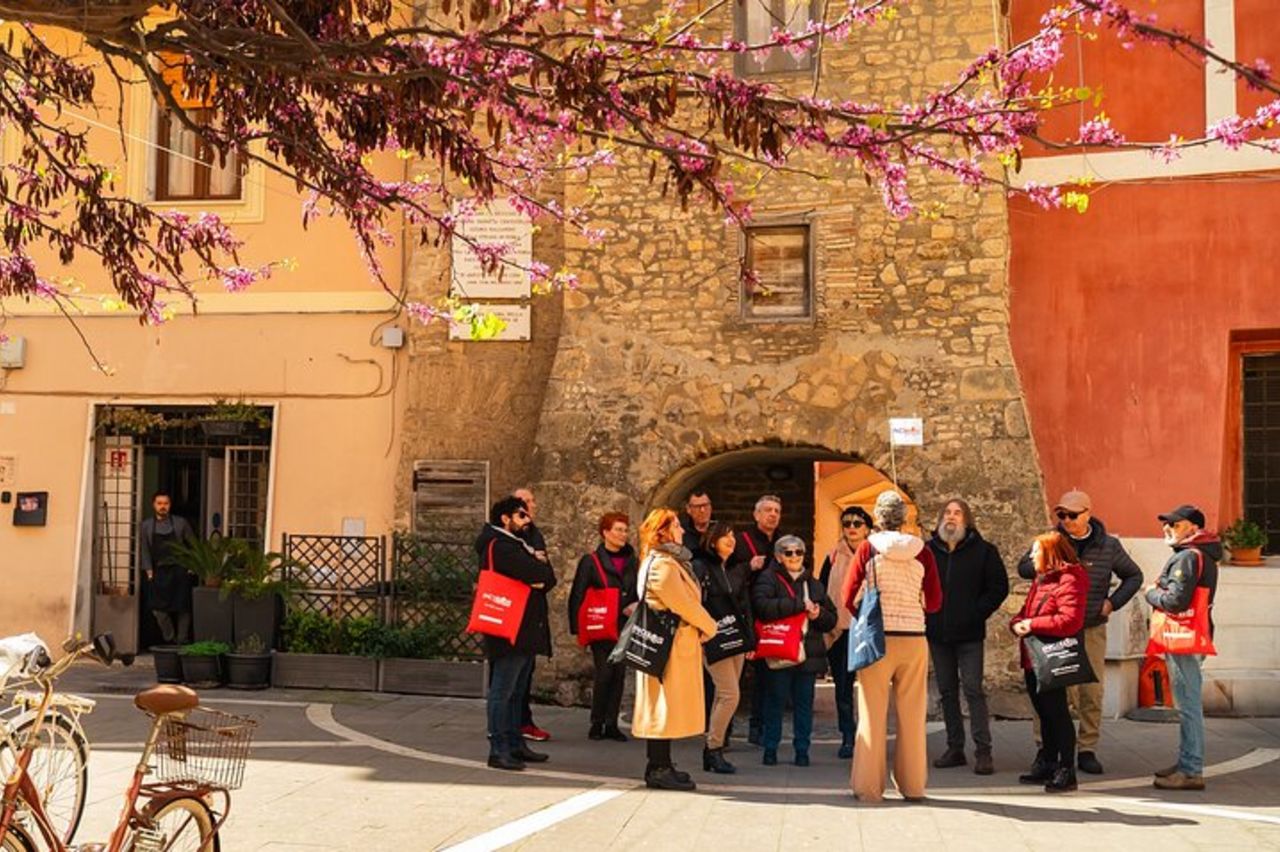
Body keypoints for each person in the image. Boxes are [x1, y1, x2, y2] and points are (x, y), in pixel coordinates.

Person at [1016, 489, 1142, 775]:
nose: (1066, 520)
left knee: (1091, 690)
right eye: (1061, 515)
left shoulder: (1108, 546)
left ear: (1088, 514)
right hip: (1055, 630)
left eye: (1072, 515)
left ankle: (1087, 748)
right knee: (1051, 690)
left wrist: (1112, 603)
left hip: (1091, 626)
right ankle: (1045, 749)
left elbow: (1134, 576)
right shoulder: (1052, 539)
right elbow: (1024, 567)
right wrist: (1043, 562)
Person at [842, 490, 942, 803]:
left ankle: (869, 788)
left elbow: (848, 596)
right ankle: (913, 786)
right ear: (904, 518)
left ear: (878, 518)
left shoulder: (867, 549)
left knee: (872, 714)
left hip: (877, 638)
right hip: (913, 638)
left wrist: (867, 618)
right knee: (912, 718)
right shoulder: (923, 552)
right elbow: (936, 602)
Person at [631, 509, 718, 791]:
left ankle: (663, 763)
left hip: (671, 642)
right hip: (667, 645)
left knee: (665, 704)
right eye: (677, 525)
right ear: (663, 531)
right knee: (661, 705)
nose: (682, 530)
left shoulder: (665, 561)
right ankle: (657, 767)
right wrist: (710, 626)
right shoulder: (662, 565)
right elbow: (684, 604)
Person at [926, 498, 1009, 776]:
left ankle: (983, 751)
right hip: (938, 633)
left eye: (957, 513)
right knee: (947, 692)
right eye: (947, 513)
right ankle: (955, 748)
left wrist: (977, 612)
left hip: (970, 634)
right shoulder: (927, 551)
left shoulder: (984, 551)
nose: (951, 517)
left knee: (973, 690)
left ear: (967, 519)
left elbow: (998, 587)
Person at [475, 496, 557, 771]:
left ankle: (514, 744)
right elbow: (541, 573)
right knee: (503, 691)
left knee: (516, 692)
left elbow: (547, 579)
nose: (527, 520)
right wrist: (537, 565)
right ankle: (498, 749)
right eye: (521, 515)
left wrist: (538, 569)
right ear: (505, 519)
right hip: (508, 629)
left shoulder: (517, 546)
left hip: (523, 628)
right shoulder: (501, 546)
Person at [1148, 505, 1221, 791]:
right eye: (1166, 524)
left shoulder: (1188, 557)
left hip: (1184, 637)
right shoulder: (1202, 554)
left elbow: (1176, 601)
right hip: (1194, 634)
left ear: (1193, 527)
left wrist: (1150, 594)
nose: (1167, 528)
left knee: (1188, 705)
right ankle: (1185, 762)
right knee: (1186, 703)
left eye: (1175, 525)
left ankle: (1191, 769)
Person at [1011, 530, 1088, 793]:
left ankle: (1067, 769)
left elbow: (1070, 620)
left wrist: (1031, 624)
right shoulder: (1041, 578)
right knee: (1043, 713)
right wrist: (1018, 622)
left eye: (1035, 552)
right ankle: (1048, 761)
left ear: (1049, 554)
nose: (1031, 557)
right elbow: (1028, 608)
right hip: (1034, 656)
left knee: (1057, 713)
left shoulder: (1070, 578)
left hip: (1052, 656)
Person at [752, 535, 837, 767]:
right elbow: (762, 607)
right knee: (775, 701)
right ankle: (770, 748)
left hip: (807, 653)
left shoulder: (815, 584)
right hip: (780, 651)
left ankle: (802, 750)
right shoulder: (768, 579)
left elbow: (831, 619)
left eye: (798, 552)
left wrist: (818, 614)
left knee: (803, 704)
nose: (794, 557)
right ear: (779, 556)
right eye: (788, 553)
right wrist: (799, 605)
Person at [567, 512, 638, 742]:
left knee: (619, 674)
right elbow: (578, 593)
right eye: (618, 530)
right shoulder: (591, 561)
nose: (623, 534)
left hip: (623, 624)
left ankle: (611, 723)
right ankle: (597, 721)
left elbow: (638, 589)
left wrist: (634, 605)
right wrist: (577, 628)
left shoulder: (632, 561)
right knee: (605, 672)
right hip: (601, 625)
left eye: (625, 530)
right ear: (605, 533)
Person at [693, 522, 750, 774]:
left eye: (733, 536)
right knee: (730, 694)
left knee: (722, 694)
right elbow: (694, 602)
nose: (731, 540)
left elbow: (744, 605)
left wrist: (750, 639)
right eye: (725, 536)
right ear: (712, 540)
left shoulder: (735, 569)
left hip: (735, 636)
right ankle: (713, 748)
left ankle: (713, 749)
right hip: (712, 636)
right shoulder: (701, 567)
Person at [818, 505, 873, 759]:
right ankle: (848, 736)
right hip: (841, 630)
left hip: (869, 628)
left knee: (873, 686)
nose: (851, 528)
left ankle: (871, 736)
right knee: (843, 687)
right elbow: (822, 592)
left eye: (857, 523)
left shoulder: (876, 555)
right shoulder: (832, 557)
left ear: (867, 528)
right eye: (847, 523)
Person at [730, 494, 785, 746]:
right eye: (767, 510)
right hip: (743, 614)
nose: (772, 514)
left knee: (767, 676)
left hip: (770, 616)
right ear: (756, 515)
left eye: (776, 510)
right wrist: (747, 566)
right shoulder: (741, 542)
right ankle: (723, 733)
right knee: (734, 677)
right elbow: (726, 577)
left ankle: (759, 728)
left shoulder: (785, 543)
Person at [512, 487, 554, 743]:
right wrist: (534, 571)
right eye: (525, 502)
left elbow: (547, 575)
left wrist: (538, 575)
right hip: (514, 615)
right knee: (510, 679)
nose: (531, 506)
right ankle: (511, 726)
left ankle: (522, 723)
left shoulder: (535, 535)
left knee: (525, 674)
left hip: (533, 614)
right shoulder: (507, 539)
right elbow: (520, 573)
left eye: (532, 501)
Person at [138, 492, 196, 645]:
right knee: (157, 609)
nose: (163, 506)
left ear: (170, 505)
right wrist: (148, 570)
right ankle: (170, 637)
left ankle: (182, 640)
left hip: (180, 570)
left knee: (183, 607)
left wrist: (192, 566)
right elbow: (144, 549)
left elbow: (194, 545)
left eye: (166, 503)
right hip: (159, 571)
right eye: (159, 503)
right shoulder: (146, 526)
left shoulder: (180, 523)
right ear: (154, 505)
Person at [680, 490, 714, 562]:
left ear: (711, 507)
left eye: (705, 505)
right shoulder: (681, 532)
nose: (702, 510)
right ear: (688, 509)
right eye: (697, 507)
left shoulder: (720, 531)